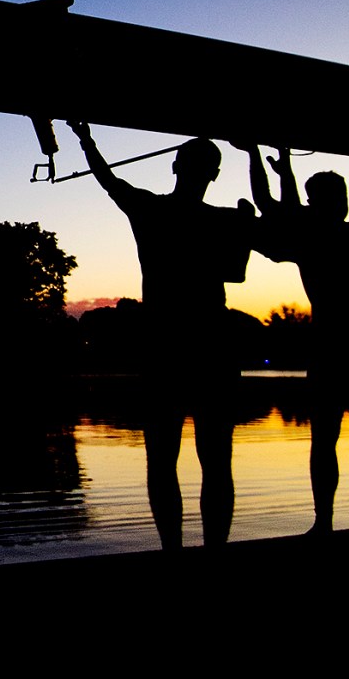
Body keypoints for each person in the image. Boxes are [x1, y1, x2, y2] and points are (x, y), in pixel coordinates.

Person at [67, 121, 256, 551]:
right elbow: (235, 272)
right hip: (211, 346)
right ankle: (215, 550)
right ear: (214, 175)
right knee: (216, 461)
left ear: (174, 166)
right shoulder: (224, 220)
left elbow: (108, 181)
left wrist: (86, 140)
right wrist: (244, 227)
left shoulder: (150, 210)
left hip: (165, 348)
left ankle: (173, 549)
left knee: (162, 461)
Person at [232, 140, 349, 533]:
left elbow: (269, 202)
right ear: (344, 201)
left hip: (332, 343)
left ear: (314, 205)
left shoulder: (310, 240)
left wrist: (258, 157)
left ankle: (324, 523)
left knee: (325, 439)